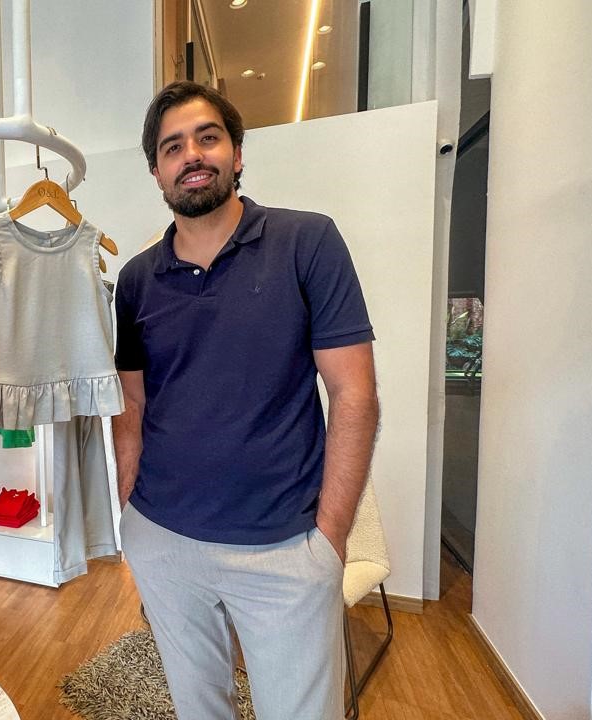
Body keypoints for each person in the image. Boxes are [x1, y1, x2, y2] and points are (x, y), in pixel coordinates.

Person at [113, 80, 380, 719]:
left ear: (236, 153)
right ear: (156, 172)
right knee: (199, 707)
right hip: (163, 538)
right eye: (172, 147)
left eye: (207, 138)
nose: (191, 154)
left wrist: (329, 539)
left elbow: (354, 395)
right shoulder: (136, 279)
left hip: (285, 546)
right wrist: (132, 516)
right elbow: (131, 407)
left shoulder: (306, 242)